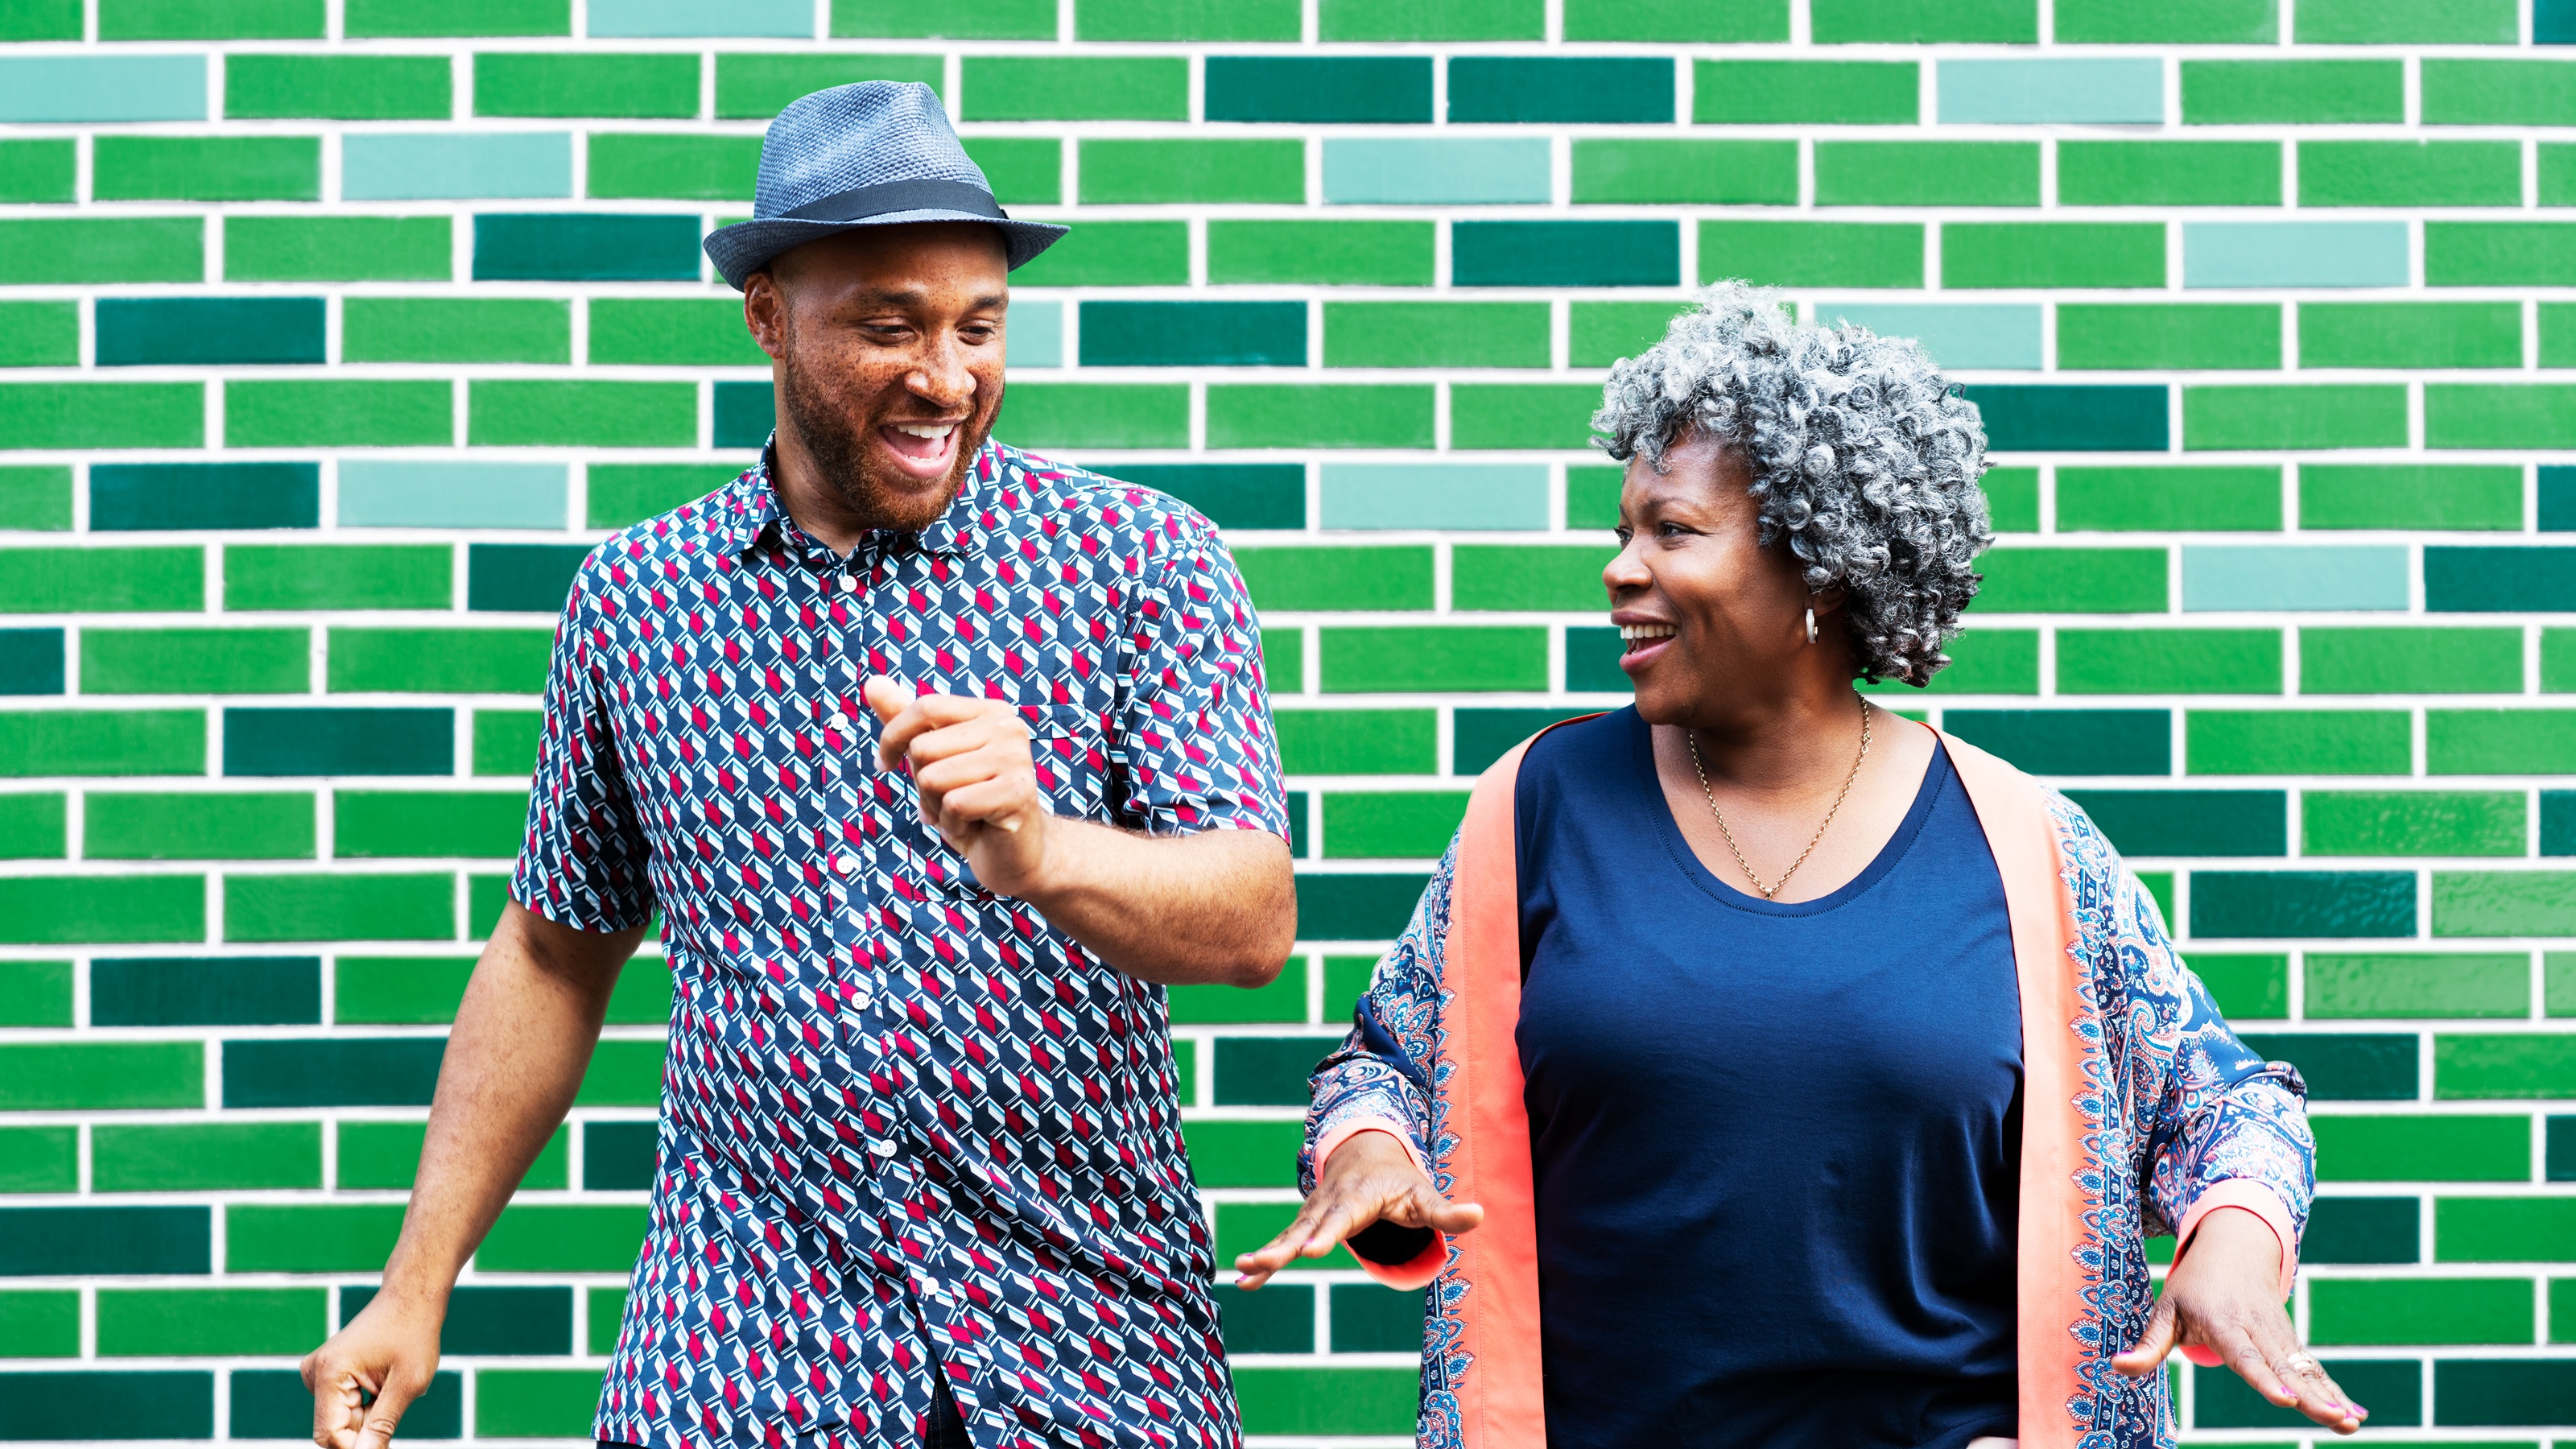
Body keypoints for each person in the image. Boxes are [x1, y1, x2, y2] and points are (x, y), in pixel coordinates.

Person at [300, 82, 1296, 1449]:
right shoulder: (638, 599)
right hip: (743, 1358)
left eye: (979, 327)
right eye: (889, 326)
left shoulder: (1141, 564)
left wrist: (1045, 848)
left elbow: (1251, 920)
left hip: (1088, 1352)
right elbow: (550, 956)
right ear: (766, 314)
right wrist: (412, 1293)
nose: (946, 378)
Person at [1232, 283, 2353, 1449]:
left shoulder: (2026, 844)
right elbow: (1385, 1064)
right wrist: (1369, 1153)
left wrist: (2232, 1250)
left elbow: (2227, 1107)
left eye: (1671, 531)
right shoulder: (1535, 807)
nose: (1619, 568)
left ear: (1819, 568)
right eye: (1622, 529)